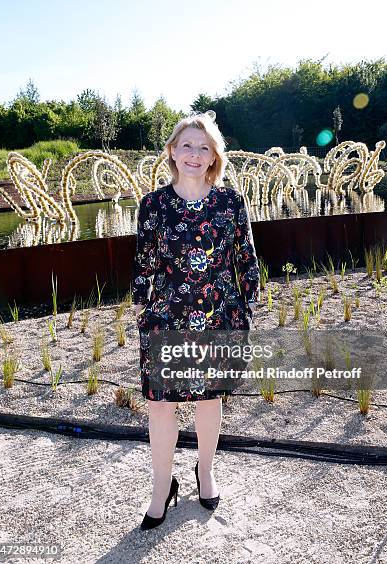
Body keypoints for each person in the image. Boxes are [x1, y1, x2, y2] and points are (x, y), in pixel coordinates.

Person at [132, 111, 260, 530]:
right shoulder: (152, 205)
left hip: (218, 313)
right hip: (166, 316)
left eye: (203, 147)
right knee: (160, 405)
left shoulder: (231, 202)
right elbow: (144, 265)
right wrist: (142, 309)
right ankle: (160, 487)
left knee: (209, 399)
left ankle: (204, 473)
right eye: (186, 145)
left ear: (213, 157)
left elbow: (247, 260)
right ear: (172, 151)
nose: (194, 153)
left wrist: (246, 309)